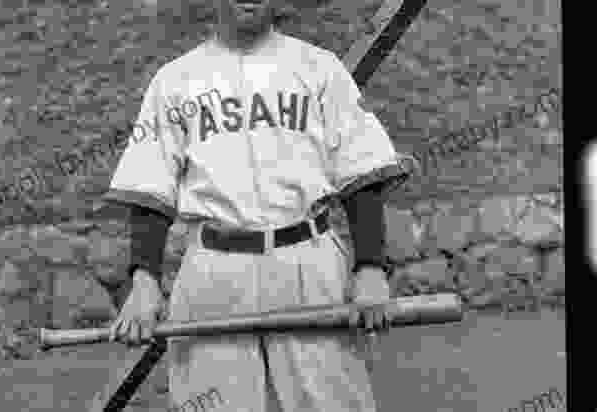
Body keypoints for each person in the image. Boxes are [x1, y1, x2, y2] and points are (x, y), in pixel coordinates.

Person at [103, 0, 418, 410]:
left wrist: (371, 268)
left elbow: (362, 172)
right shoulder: (175, 81)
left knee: (331, 401)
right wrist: (145, 283)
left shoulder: (319, 68)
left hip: (308, 263)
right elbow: (150, 186)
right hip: (215, 273)